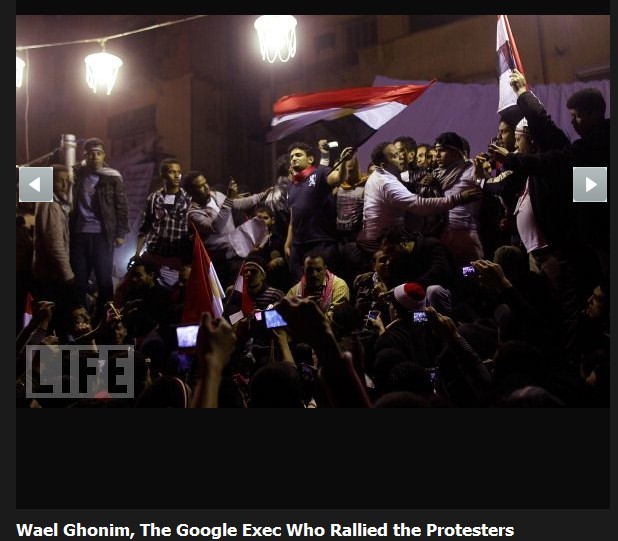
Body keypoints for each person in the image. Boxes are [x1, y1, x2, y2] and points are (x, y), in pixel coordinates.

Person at [356, 141, 481, 254]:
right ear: (384, 165)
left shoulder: (378, 176)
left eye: (399, 153)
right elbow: (419, 205)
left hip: (380, 239)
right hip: (381, 244)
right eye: (395, 156)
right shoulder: (386, 182)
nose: (401, 157)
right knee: (434, 249)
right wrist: (458, 199)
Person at [70, 137, 129, 320]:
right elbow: (54, 182)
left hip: (102, 235)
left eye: (98, 153)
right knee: (79, 280)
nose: (95, 157)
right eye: (91, 153)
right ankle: (80, 321)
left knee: (104, 279)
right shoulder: (75, 174)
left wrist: (120, 233)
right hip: (78, 234)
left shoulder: (112, 177)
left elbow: (121, 206)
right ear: (85, 156)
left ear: (104, 156)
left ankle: (106, 319)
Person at [184, 170, 271, 289]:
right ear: (191, 192)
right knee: (226, 292)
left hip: (236, 253)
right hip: (219, 261)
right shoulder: (194, 213)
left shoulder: (216, 195)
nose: (206, 187)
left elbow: (237, 204)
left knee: (240, 290)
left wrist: (260, 196)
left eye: (205, 183)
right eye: (200, 186)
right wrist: (228, 199)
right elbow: (216, 227)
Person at [284, 140, 355, 282]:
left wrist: (343, 162)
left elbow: (339, 178)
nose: (294, 159)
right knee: (299, 286)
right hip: (298, 245)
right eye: (291, 157)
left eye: (298, 155)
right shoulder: (291, 186)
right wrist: (288, 243)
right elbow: (293, 218)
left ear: (310, 159)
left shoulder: (320, 173)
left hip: (321, 242)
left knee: (322, 284)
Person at [31, 164, 76, 337]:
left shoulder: (56, 202)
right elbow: (54, 244)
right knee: (53, 323)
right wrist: (68, 275)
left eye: (67, 181)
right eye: (59, 181)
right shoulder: (50, 204)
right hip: (51, 276)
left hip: (49, 275)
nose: (64, 185)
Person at [134, 158, 192, 286]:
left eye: (179, 172)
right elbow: (145, 226)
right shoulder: (154, 198)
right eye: (172, 172)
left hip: (177, 256)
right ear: (163, 174)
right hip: (155, 254)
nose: (177, 176)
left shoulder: (188, 198)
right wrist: (137, 253)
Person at [286, 252, 349, 323]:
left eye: (319, 270)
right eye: (309, 270)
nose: (314, 274)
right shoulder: (294, 291)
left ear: (325, 269)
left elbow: (334, 320)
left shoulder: (339, 286)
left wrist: (308, 311)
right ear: (303, 270)